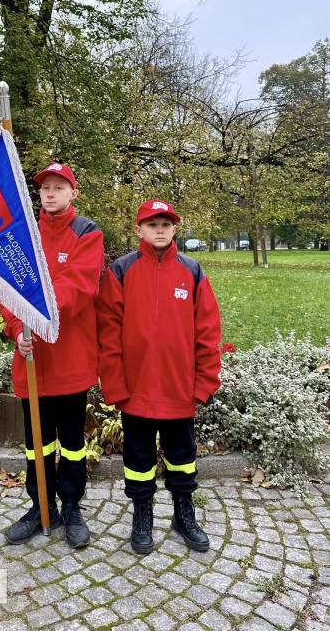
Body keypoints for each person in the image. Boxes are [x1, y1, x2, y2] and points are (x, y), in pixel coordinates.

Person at [96, 199, 221, 555]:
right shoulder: (121, 270)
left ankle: (184, 515)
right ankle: (142, 517)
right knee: (137, 458)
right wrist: (115, 385)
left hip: (178, 389)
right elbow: (108, 332)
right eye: (152, 224)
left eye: (166, 223)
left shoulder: (192, 271)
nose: (161, 229)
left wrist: (204, 383)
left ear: (175, 229)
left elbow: (208, 331)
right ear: (139, 230)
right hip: (134, 391)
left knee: (183, 455)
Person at [2, 163, 104, 548]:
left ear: (73, 193)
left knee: (72, 442)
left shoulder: (87, 233)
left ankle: (72, 506)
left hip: (71, 360)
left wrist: (37, 315)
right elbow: (8, 290)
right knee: (37, 444)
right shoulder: (24, 235)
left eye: (59, 187)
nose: (50, 193)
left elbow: (79, 286)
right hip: (31, 361)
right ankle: (41, 505)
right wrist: (17, 329)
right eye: (45, 187)